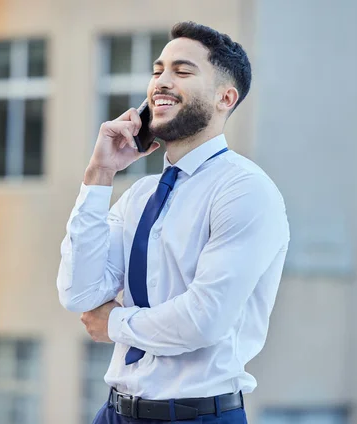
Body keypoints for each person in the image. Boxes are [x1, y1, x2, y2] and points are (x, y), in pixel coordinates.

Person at [57, 21, 289, 424]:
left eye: (182, 71)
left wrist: (114, 322)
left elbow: (204, 320)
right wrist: (99, 174)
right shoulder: (138, 196)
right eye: (157, 70)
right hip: (114, 413)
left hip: (196, 417)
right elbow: (80, 294)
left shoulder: (245, 190)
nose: (161, 82)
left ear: (225, 98)